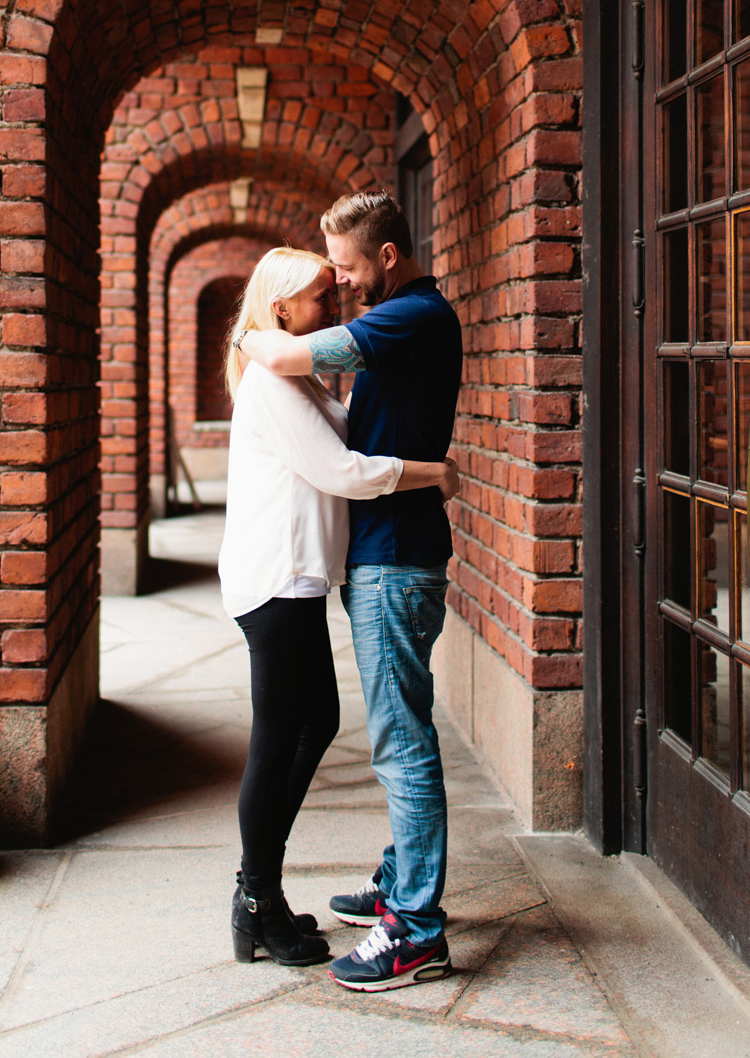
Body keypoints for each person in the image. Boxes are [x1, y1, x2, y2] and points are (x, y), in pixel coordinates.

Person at [235, 192, 463, 992]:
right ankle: (398, 883)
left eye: (346, 267)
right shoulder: (399, 317)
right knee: (389, 727)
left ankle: (417, 928)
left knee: (400, 741)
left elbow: (295, 362)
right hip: (380, 555)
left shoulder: (410, 316)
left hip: (396, 558)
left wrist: (255, 331)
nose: (338, 280)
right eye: (325, 274)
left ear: (388, 258)